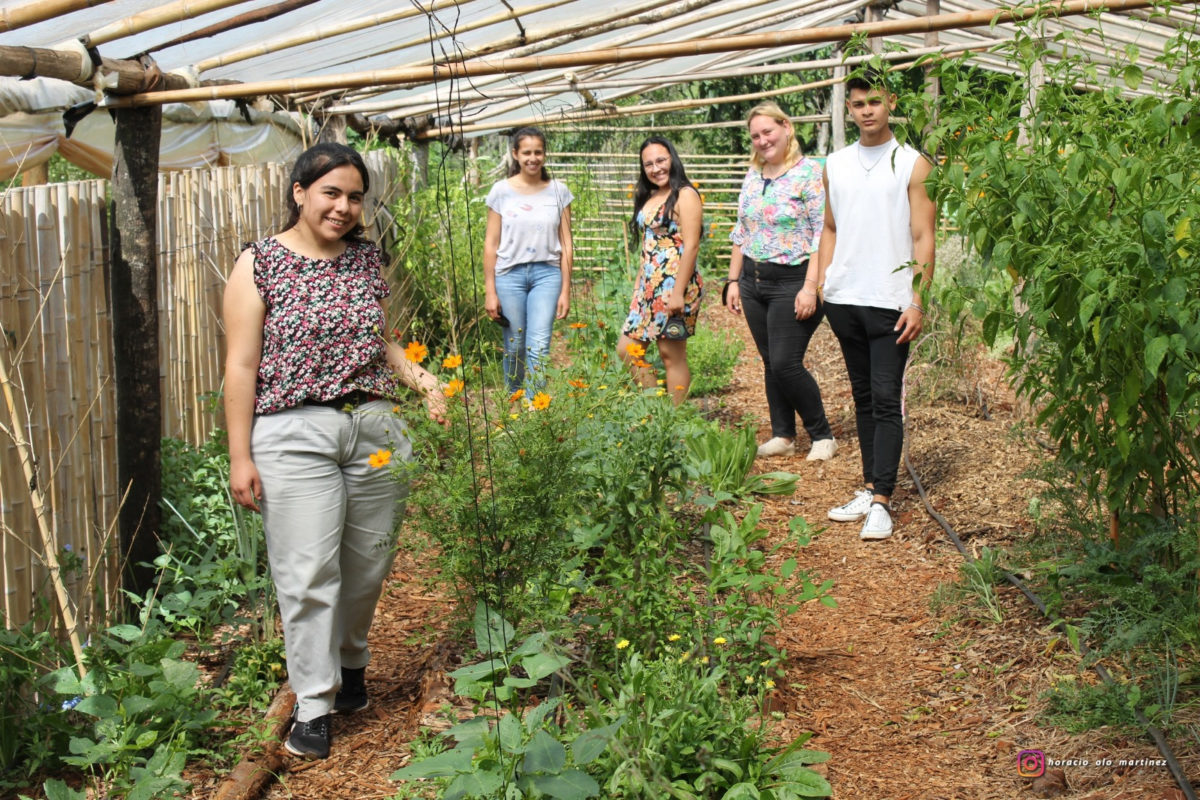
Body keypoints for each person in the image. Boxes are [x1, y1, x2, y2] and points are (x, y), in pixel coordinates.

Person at [223, 142, 446, 759]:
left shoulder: (365, 261)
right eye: (332, 193)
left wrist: (423, 381)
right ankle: (314, 703)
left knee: (368, 562)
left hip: (374, 434)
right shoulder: (259, 262)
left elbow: (380, 343)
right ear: (300, 192)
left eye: (354, 196)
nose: (344, 207)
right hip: (293, 436)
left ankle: (351, 665)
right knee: (308, 571)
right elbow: (240, 366)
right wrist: (241, 456)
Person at [815, 72, 936, 541]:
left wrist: (918, 299)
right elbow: (829, 226)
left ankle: (883, 502)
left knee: (887, 397)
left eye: (875, 102)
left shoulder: (911, 164)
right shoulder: (836, 164)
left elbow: (924, 235)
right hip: (845, 299)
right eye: (859, 103)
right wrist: (825, 279)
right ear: (851, 110)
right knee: (863, 396)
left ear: (892, 103)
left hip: (890, 301)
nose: (867, 110)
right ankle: (869, 487)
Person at [724, 101, 837, 461]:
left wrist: (810, 286)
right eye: (755, 135)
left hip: (793, 279)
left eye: (767, 131)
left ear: (786, 127)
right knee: (771, 360)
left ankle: (822, 435)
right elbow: (742, 230)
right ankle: (783, 435)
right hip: (753, 279)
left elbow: (822, 234)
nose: (762, 140)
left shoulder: (809, 174)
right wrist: (732, 281)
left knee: (787, 362)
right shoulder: (754, 175)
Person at [483, 127, 574, 395]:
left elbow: (567, 243)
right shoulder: (501, 191)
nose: (532, 158)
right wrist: (490, 292)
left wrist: (566, 290)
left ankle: (536, 410)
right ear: (515, 154)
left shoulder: (559, 191)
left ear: (544, 155)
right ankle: (514, 399)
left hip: (547, 274)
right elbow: (491, 244)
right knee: (515, 344)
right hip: (509, 275)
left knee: (540, 344)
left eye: (538, 152)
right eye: (527, 153)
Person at [616, 136, 703, 405]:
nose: (656, 168)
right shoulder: (652, 195)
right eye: (649, 164)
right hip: (648, 288)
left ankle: (673, 421)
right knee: (627, 350)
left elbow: (691, 246)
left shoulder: (685, 194)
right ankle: (654, 409)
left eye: (661, 160)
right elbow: (648, 245)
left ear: (672, 159)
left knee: (670, 354)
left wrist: (678, 294)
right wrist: (637, 289)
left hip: (675, 286)